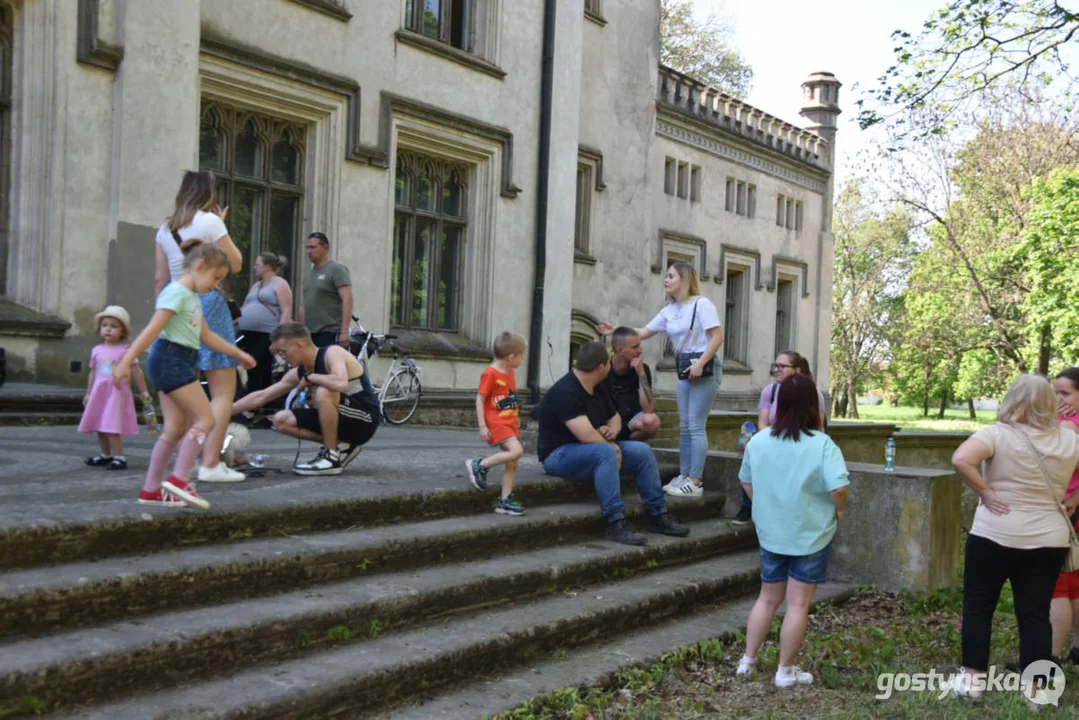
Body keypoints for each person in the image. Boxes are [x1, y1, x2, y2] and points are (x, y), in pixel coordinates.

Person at [949, 374, 1079, 702]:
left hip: (994, 533)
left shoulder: (997, 434)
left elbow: (961, 459)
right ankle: (1034, 691)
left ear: (1012, 400)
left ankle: (972, 682)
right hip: (1049, 539)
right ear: (1050, 403)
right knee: (1035, 613)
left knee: (979, 607)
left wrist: (986, 491)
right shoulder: (1069, 439)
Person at [115, 243, 256, 510]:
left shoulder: (191, 297)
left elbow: (208, 336)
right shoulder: (177, 293)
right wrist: (125, 361)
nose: (216, 286)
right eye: (216, 278)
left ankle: (151, 490)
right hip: (171, 360)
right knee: (206, 418)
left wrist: (238, 354)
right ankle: (180, 479)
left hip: (176, 360)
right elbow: (152, 329)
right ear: (200, 266)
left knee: (174, 429)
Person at [735, 373, 849, 687]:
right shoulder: (823, 444)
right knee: (797, 603)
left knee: (767, 598)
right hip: (812, 534)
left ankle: (748, 660)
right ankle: (785, 671)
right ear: (815, 406)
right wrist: (838, 510)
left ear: (777, 404)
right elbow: (839, 488)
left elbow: (745, 480)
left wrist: (765, 506)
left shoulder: (758, 441)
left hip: (771, 533)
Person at [534, 341, 689, 546]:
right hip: (558, 455)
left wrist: (612, 431)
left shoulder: (597, 386)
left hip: (590, 449)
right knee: (605, 454)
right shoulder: (565, 391)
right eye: (608, 363)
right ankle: (615, 522)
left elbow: (614, 416)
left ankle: (658, 514)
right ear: (600, 367)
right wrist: (611, 446)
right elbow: (586, 435)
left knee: (642, 451)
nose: (610, 366)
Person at [597, 262, 723, 498]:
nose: (666, 280)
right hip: (684, 367)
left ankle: (695, 480)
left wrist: (701, 363)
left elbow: (717, 337)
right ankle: (685, 475)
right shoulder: (669, 311)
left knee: (696, 424)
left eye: (671, 276)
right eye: (666, 276)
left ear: (684, 279)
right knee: (685, 424)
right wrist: (616, 330)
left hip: (703, 367)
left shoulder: (702, 304)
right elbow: (642, 332)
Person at [154, 170, 247, 484]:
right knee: (222, 390)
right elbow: (234, 263)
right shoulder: (211, 222)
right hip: (209, 303)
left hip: (176, 305)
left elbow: (159, 278)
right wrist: (221, 225)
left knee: (185, 384)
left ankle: (183, 462)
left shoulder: (165, 228)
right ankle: (210, 463)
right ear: (209, 192)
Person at [231, 322, 378, 475]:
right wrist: (226, 411)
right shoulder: (301, 371)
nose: (282, 357)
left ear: (299, 345)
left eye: (283, 352)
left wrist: (311, 377)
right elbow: (263, 395)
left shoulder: (332, 353)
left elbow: (340, 383)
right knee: (280, 420)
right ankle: (342, 446)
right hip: (341, 416)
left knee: (324, 391)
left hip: (365, 418)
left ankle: (331, 457)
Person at [732, 350, 828, 525]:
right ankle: (749, 507)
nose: (777, 369)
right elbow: (762, 423)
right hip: (774, 441)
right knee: (751, 460)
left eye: (782, 366)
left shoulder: (813, 393)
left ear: (797, 370)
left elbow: (817, 426)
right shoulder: (771, 390)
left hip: (801, 445)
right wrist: (769, 443)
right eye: (775, 365)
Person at [79, 305, 152, 470]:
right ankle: (105, 454)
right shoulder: (96, 350)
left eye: (114, 326)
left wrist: (144, 391)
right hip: (99, 393)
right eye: (105, 325)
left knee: (111, 425)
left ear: (122, 331)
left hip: (115, 394)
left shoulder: (126, 350)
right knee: (100, 425)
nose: (108, 330)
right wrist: (88, 393)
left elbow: (136, 370)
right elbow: (93, 372)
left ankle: (119, 456)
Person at [466, 332, 527, 516]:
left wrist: (515, 413)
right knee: (516, 451)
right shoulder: (490, 374)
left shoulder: (510, 372)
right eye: (522, 355)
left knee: (513, 461)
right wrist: (483, 426)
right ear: (511, 357)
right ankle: (480, 465)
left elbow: (509, 395)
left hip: (509, 421)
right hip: (496, 423)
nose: (523, 359)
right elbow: (480, 399)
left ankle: (505, 500)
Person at [237, 252, 293, 408]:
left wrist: (279, 337)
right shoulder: (255, 286)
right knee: (260, 368)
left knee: (255, 364)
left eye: (258, 264)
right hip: (248, 332)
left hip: (268, 333)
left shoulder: (280, 284)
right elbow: (244, 307)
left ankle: (252, 406)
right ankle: (267, 406)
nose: (254, 267)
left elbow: (286, 310)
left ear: (267, 267)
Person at [1050, 368, 1079, 666]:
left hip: (1066, 512)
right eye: (1055, 393)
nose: (1059, 399)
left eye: (1066, 393)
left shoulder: (1069, 427)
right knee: (1073, 583)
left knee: (1054, 586)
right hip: (1069, 511)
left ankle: (1050, 656)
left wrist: (1073, 499)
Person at [601, 326, 661, 442]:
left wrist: (641, 374)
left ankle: (629, 445)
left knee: (652, 421)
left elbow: (649, 409)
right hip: (608, 422)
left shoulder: (643, 369)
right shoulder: (604, 369)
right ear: (620, 350)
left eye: (639, 345)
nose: (640, 351)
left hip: (631, 423)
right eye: (635, 347)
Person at [299, 232, 353, 348]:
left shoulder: (336, 269)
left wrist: (344, 331)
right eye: (307, 248)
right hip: (310, 334)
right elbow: (305, 305)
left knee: (326, 365)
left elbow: (347, 299)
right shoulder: (309, 274)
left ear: (325, 248)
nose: (309, 251)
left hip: (330, 332)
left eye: (313, 247)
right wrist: (302, 331)